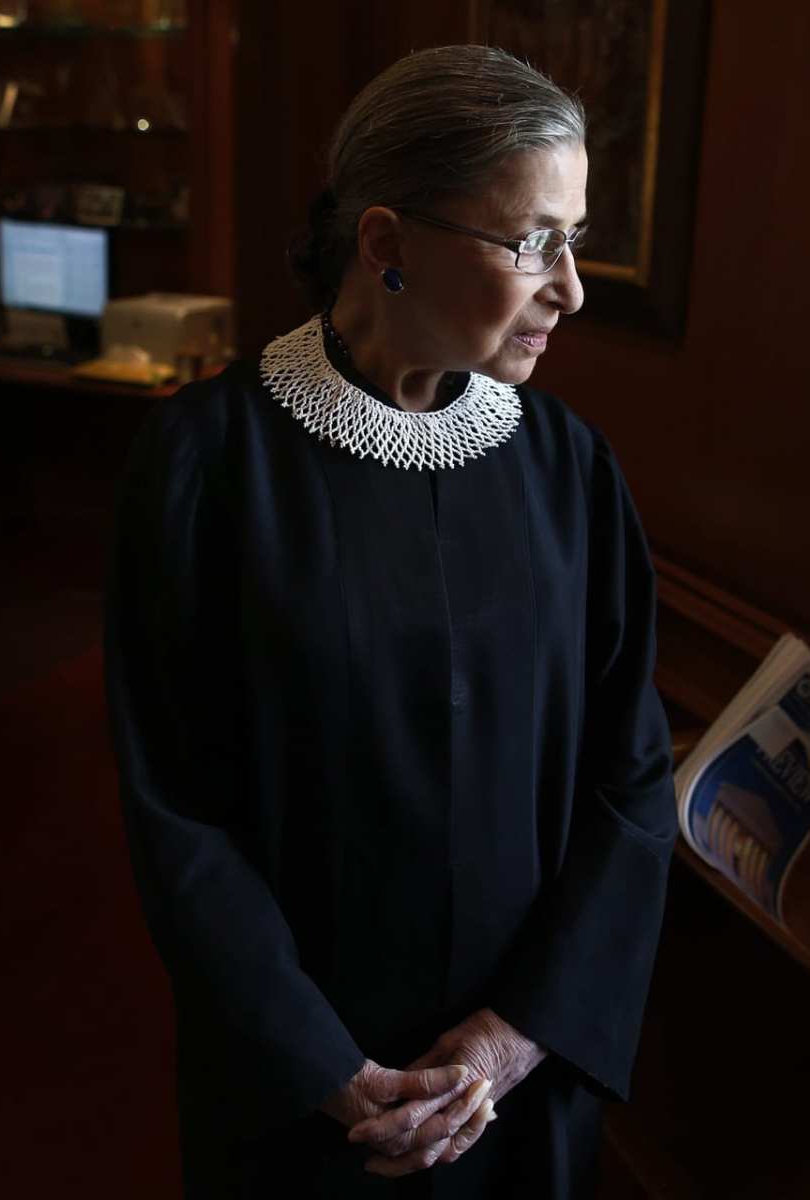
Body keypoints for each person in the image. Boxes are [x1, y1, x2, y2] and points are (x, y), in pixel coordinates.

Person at [104, 44, 677, 1197]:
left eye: (574, 239)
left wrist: (511, 1039)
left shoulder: (570, 471)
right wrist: (325, 1068)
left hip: (514, 1087)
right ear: (385, 245)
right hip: (302, 1096)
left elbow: (632, 780)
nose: (570, 288)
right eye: (534, 243)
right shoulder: (205, 465)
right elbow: (175, 808)